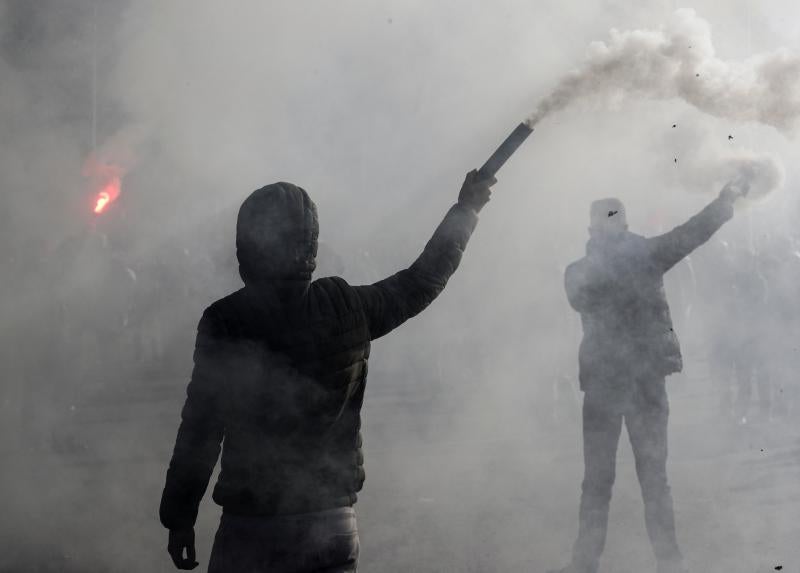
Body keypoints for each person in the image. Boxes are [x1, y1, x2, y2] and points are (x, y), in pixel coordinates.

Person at [159, 170, 495, 572]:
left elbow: (200, 430)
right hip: (332, 525)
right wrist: (466, 210)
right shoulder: (346, 308)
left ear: (247, 245)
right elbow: (421, 280)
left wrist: (179, 517)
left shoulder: (227, 320)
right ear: (310, 243)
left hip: (252, 529)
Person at [549, 180, 749, 573]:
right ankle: (663, 561)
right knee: (646, 478)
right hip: (637, 382)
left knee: (605, 481)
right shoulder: (642, 257)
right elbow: (691, 234)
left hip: (611, 383)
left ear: (593, 228)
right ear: (623, 225)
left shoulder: (584, 269)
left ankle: (592, 563)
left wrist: (724, 202)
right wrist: (724, 201)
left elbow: (580, 297)